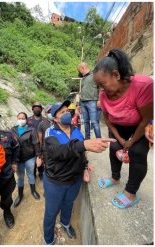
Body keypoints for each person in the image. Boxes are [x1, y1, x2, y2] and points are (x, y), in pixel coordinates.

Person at [43, 100, 115, 244]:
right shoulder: (50, 132)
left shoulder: (75, 129)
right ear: (55, 118)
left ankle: (65, 223)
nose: (67, 113)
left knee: (68, 204)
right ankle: (49, 240)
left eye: (67, 110)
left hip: (75, 179)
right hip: (56, 182)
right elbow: (58, 152)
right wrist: (85, 144)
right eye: (62, 112)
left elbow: (81, 153)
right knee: (51, 213)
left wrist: (85, 166)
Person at [93, 48, 153, 208]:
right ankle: (115, 177)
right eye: (98, 86)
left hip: (140, 125)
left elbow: (146, 118)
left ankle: (131, 192)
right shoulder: (103, 95)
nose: (101, 90)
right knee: (113, 147)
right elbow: (107, 118)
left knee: (137, 153)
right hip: (119, 126)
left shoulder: (143, 85)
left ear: (116, 75)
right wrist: (120, 140)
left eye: (102, 84)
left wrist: (132, 142)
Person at [10, 112, 41, 207]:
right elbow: (10, 145)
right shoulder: (12, 130)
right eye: (19, 118)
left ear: (26, 119)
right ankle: (20, 195)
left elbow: (36, 143)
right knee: (20, 177)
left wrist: (38, 156)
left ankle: (33, 191)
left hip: (29, 157)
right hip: (18, 159)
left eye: (23, 118)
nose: (21, 120)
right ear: (17, 118)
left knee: (31, 174)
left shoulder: (31, 130)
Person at [77, 63, 102, 139]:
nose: (80, 72)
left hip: (92, 101)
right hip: (83, 102)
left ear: (83, 67)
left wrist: (100, 99)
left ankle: (99, 139)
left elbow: (101, 87)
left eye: (80, 70)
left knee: (94, 122)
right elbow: (82, 91)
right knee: (86, 122)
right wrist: (79, 104)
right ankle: (87, 138)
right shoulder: (84, 78)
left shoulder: (94, 75)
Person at [28, 102, 49, 178]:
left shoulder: (46, 120)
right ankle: (33, 174)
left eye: (38, 107)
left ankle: (41, 173)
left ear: (41, 109)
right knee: (32, 160)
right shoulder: (28, 120)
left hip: (42, 143)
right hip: (31, 144)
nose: (37, 109)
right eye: (35, 107)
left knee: (41, 158)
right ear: (33, 109)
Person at [36, 105, 53, 180]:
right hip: (46, 149)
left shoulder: (58, 122)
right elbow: (40, 140)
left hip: (57, 148)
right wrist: (40, 152)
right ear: (45, 113)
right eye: (49, 111)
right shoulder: (41, 124)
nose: (51, 113)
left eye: (52, 111)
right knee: (48, 165)